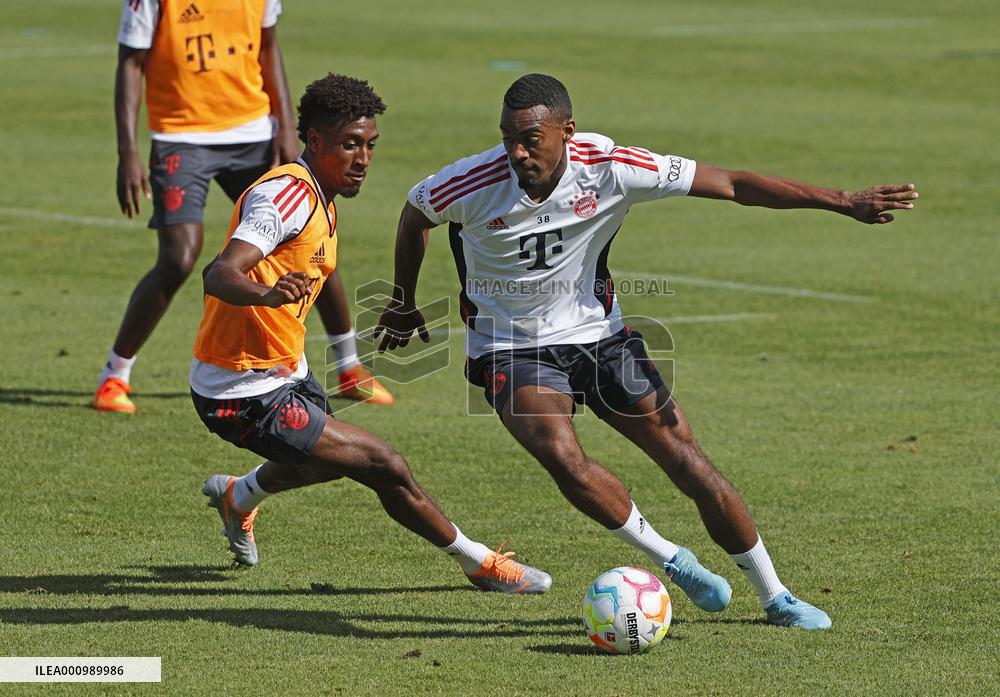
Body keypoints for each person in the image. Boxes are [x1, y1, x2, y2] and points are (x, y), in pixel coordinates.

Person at [375, 73, 920, 629]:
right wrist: (402, 300)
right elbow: (415, 214)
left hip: (601, 339)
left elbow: (732, 183)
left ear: (567, 131)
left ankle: (775, 595)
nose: (516, 152)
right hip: (510, 348)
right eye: (508, 138)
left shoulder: (611, 166)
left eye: (530, 139)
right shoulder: (468, 182)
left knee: (688, 461)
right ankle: (673, 561)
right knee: (563, 457)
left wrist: (842, 201)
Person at [192, 73, 550, 595]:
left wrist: (350, 352)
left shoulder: (321, 196)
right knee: (383, 464)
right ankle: (480, 564)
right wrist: (265, 295)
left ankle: (238, 496)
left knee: (323, 465)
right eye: (350, 145)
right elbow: (220, 272)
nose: (363, 158)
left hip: (286, 372)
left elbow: (322, 273)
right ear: (314, 141)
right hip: (240, 391)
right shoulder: (283, 200)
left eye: (370, 145)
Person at [94, 0, 393, 414]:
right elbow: (131, 63)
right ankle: (115, 374)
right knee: (179, 257)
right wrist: (127, 150)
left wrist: (286, 128)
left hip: (253, 131)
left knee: (309, 239)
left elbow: (268, 47)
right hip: (181, 135)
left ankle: (348, 366)